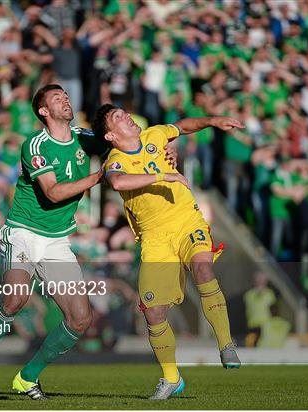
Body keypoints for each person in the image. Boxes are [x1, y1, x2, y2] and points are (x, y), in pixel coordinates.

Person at [0, 85, 177, 400]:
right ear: (44, 111)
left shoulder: (86, 137)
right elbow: (54, 192)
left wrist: (167, 151)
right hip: (24, 232)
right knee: (15, 300)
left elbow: (132, 145)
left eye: (66, 96)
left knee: (81, 318)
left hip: (57, 239)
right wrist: (98, 176)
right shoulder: (35, 144)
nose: (66, 100)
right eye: (57, 98)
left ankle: (27, 377)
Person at [92, 104, 243, 400]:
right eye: (118, 118)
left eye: (125, 113)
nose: (128, 117)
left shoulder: (155, 135)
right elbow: (119, 182)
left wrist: (213, 120)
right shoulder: (115, 160)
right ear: (110, 135)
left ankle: (226, 343)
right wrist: (165, 175)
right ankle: (172, 378)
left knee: (203, 268)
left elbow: (184, 126)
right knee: (153, 312)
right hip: (154, 238)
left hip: (187, 221)